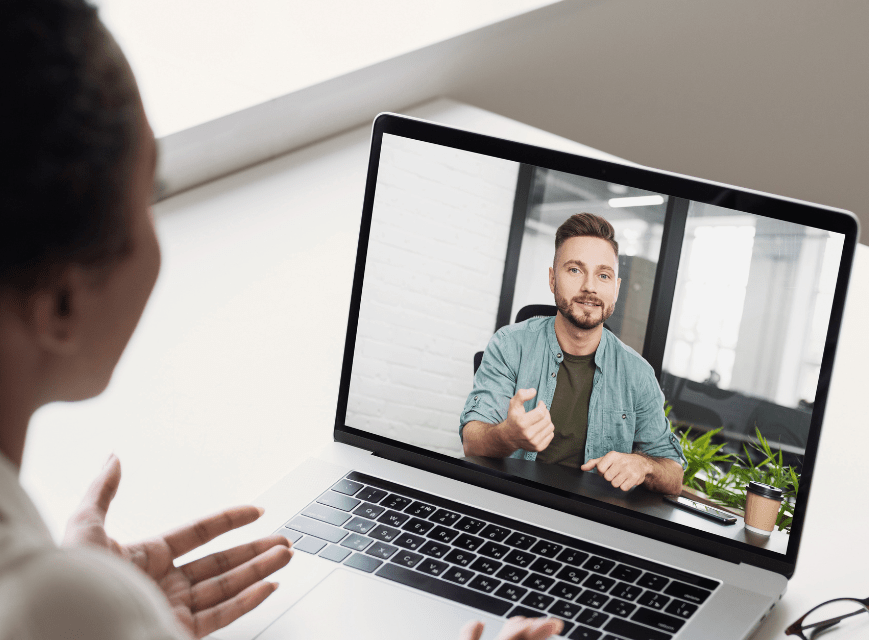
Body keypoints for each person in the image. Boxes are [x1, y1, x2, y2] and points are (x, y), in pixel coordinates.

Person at [0, 2, 561, 638]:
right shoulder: (56, 606)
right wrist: (86, 610)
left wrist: (97, 606)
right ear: (62, 305)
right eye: (151, 194)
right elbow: (476, 435)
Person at [460, 213, 686, 495]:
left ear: (616, 289)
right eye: (575, 270)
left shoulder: (637, 374)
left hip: (594, 516)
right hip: (511, 498)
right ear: (553, 279)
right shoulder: (510, 345)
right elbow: (472, 441)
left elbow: (673, 473)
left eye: (603, 275)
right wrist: (509, 435)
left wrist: (644, 465)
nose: (590, 286)